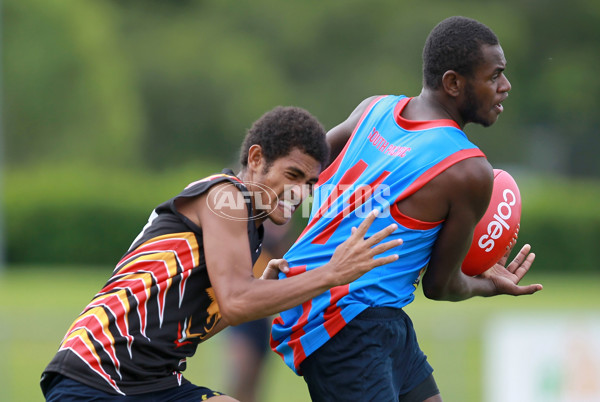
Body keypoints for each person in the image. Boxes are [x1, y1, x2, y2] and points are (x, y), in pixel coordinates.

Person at [40, 106, 403, 401]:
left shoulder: (248, 227)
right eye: (292, 175)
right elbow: (236, 301)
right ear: (257, 158)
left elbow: (201, 322)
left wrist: (263, 289)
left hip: (153, 381)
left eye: (310, 184)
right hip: (95, 375)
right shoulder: (226, 197)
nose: (301, 193)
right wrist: (332, 274)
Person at [270, 16, 544, 402]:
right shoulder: (467, 170)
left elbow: (294, 175)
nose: (505, 86)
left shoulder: (372, 110)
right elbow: (439, 286)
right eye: (494, 75)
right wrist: (489, 286)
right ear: (453, 83)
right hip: (346, 321)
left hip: (373, 312)